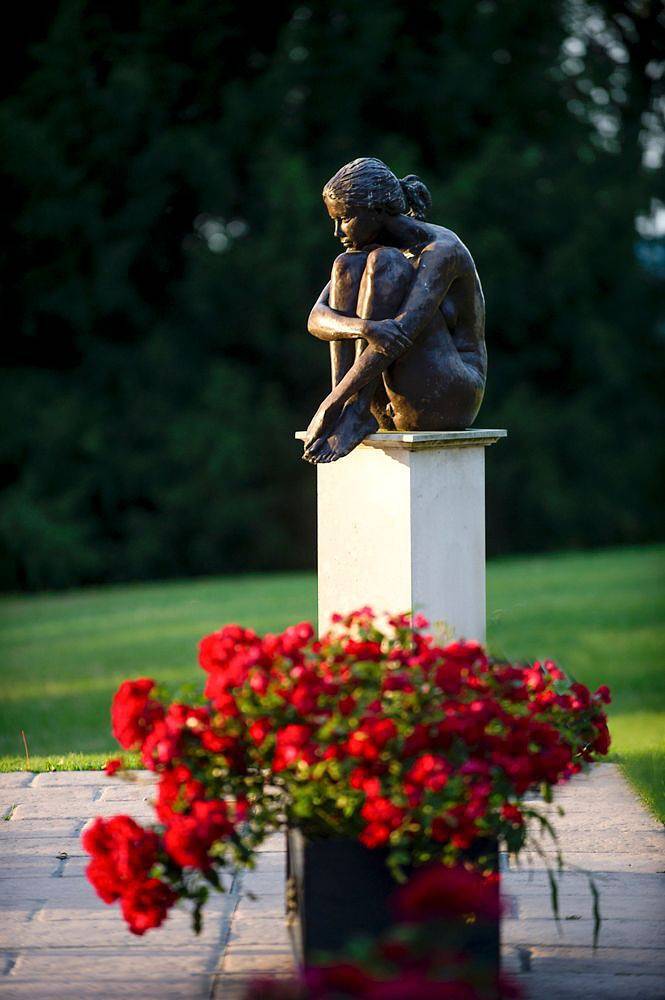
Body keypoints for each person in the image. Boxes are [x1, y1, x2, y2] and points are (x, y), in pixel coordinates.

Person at [302, 157, 487, 464]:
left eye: (345, 218)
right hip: (388, 394)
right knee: (345, 265)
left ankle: (356, 409)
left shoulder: (441, 250)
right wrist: (364, 328)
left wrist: (328, 406)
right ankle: (353, 406)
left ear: (376, 210)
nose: (338, 232)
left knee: (384, 263)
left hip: (451, 393)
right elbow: (316, 319)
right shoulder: (357, 254)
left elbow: (399, 334)